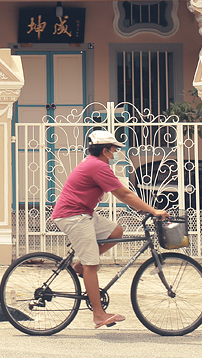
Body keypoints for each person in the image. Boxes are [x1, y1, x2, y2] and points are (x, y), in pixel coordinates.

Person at [50, 129, 169, 329]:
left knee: (116, 232)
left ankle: (78, 267)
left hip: (83, 213)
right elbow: (123, 194)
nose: (114, 155)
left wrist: (143, 208)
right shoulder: (97, 166)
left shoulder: (95, 164)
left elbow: (123, 193)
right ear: (105, 151)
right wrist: (152, 210)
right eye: (113, 150)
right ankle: (98, 315)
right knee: (92, 264)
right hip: (74, 216)